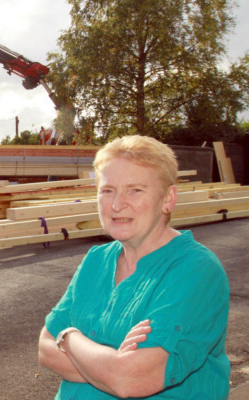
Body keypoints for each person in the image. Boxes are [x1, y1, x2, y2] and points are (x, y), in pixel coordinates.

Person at [38, 135, 230, 399]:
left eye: (135, 190)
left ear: (168, 199)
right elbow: (45, 349)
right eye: (107, 190)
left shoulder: (195, 270)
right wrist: (111, 363)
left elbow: (131, 379)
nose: (117, 204)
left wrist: (69, 338)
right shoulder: (96, 260)